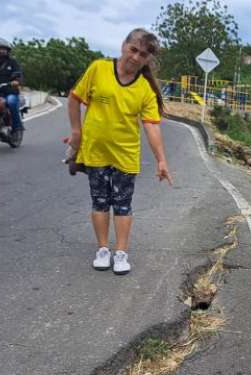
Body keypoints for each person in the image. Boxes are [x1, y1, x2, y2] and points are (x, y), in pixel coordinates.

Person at [67, 28, 173, 275]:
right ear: (124, 45)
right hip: (95, 151)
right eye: (133, 49)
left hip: (125, 155)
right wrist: (76, 133)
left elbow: (152, 127)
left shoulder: (144, 89)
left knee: (123, 204)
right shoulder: (98, 69)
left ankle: (121, 253)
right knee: (100, 201)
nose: (136, 57)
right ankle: (103, 249)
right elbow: (74, 99)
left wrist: (161, 160)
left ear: (148, 60)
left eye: (143, 54)